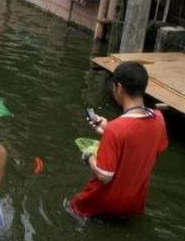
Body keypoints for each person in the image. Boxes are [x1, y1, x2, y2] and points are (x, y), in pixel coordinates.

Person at [69, 62, 168, 218]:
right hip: (134, 203)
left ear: (119, 88)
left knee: (71, 211)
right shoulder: (159, 119)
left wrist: (88, 157)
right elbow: (145, 145)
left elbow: (104, 176)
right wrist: (108, 128)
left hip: (101, 204)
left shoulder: (116, 129)